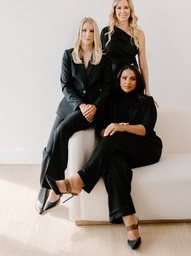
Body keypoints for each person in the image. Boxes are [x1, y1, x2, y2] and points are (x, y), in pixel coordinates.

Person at [46, 64, 163, 250]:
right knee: (115, 164)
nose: (128, 82)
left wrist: (122, 127)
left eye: (132, 78)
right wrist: (110, 128)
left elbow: (144, 129)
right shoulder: (111, 102)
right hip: (119, 149)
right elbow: (101, 130)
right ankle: (130, 220)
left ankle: (78, 181)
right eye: (124, 78)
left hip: (147, 148)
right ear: (119, 79)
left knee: (116, 136)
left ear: (137, 81)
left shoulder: (146, 101)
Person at [35, 17, 112, 214]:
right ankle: (44, 186)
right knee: (51, 144)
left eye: (91, 31)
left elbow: (108, 88)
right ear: (79, 32)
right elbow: (65, 85)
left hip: (92, 110)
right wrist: (80, 104)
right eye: (84, 30)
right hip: (70, 106)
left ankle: (55, 189)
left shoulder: (102, 57)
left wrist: (93, 106)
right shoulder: (69, 55)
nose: (88, 34)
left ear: (96, 34)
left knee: (62, 131)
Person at [101, 0, 151, 95]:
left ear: (130, 10)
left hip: (132, 80)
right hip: (111, 81)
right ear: (114, 11)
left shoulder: (139, 34)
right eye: (119, 8)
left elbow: (143, 64)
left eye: (126, 7)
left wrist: (147, 90)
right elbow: (100, 62)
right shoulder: (106, 32)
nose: (123, 11)